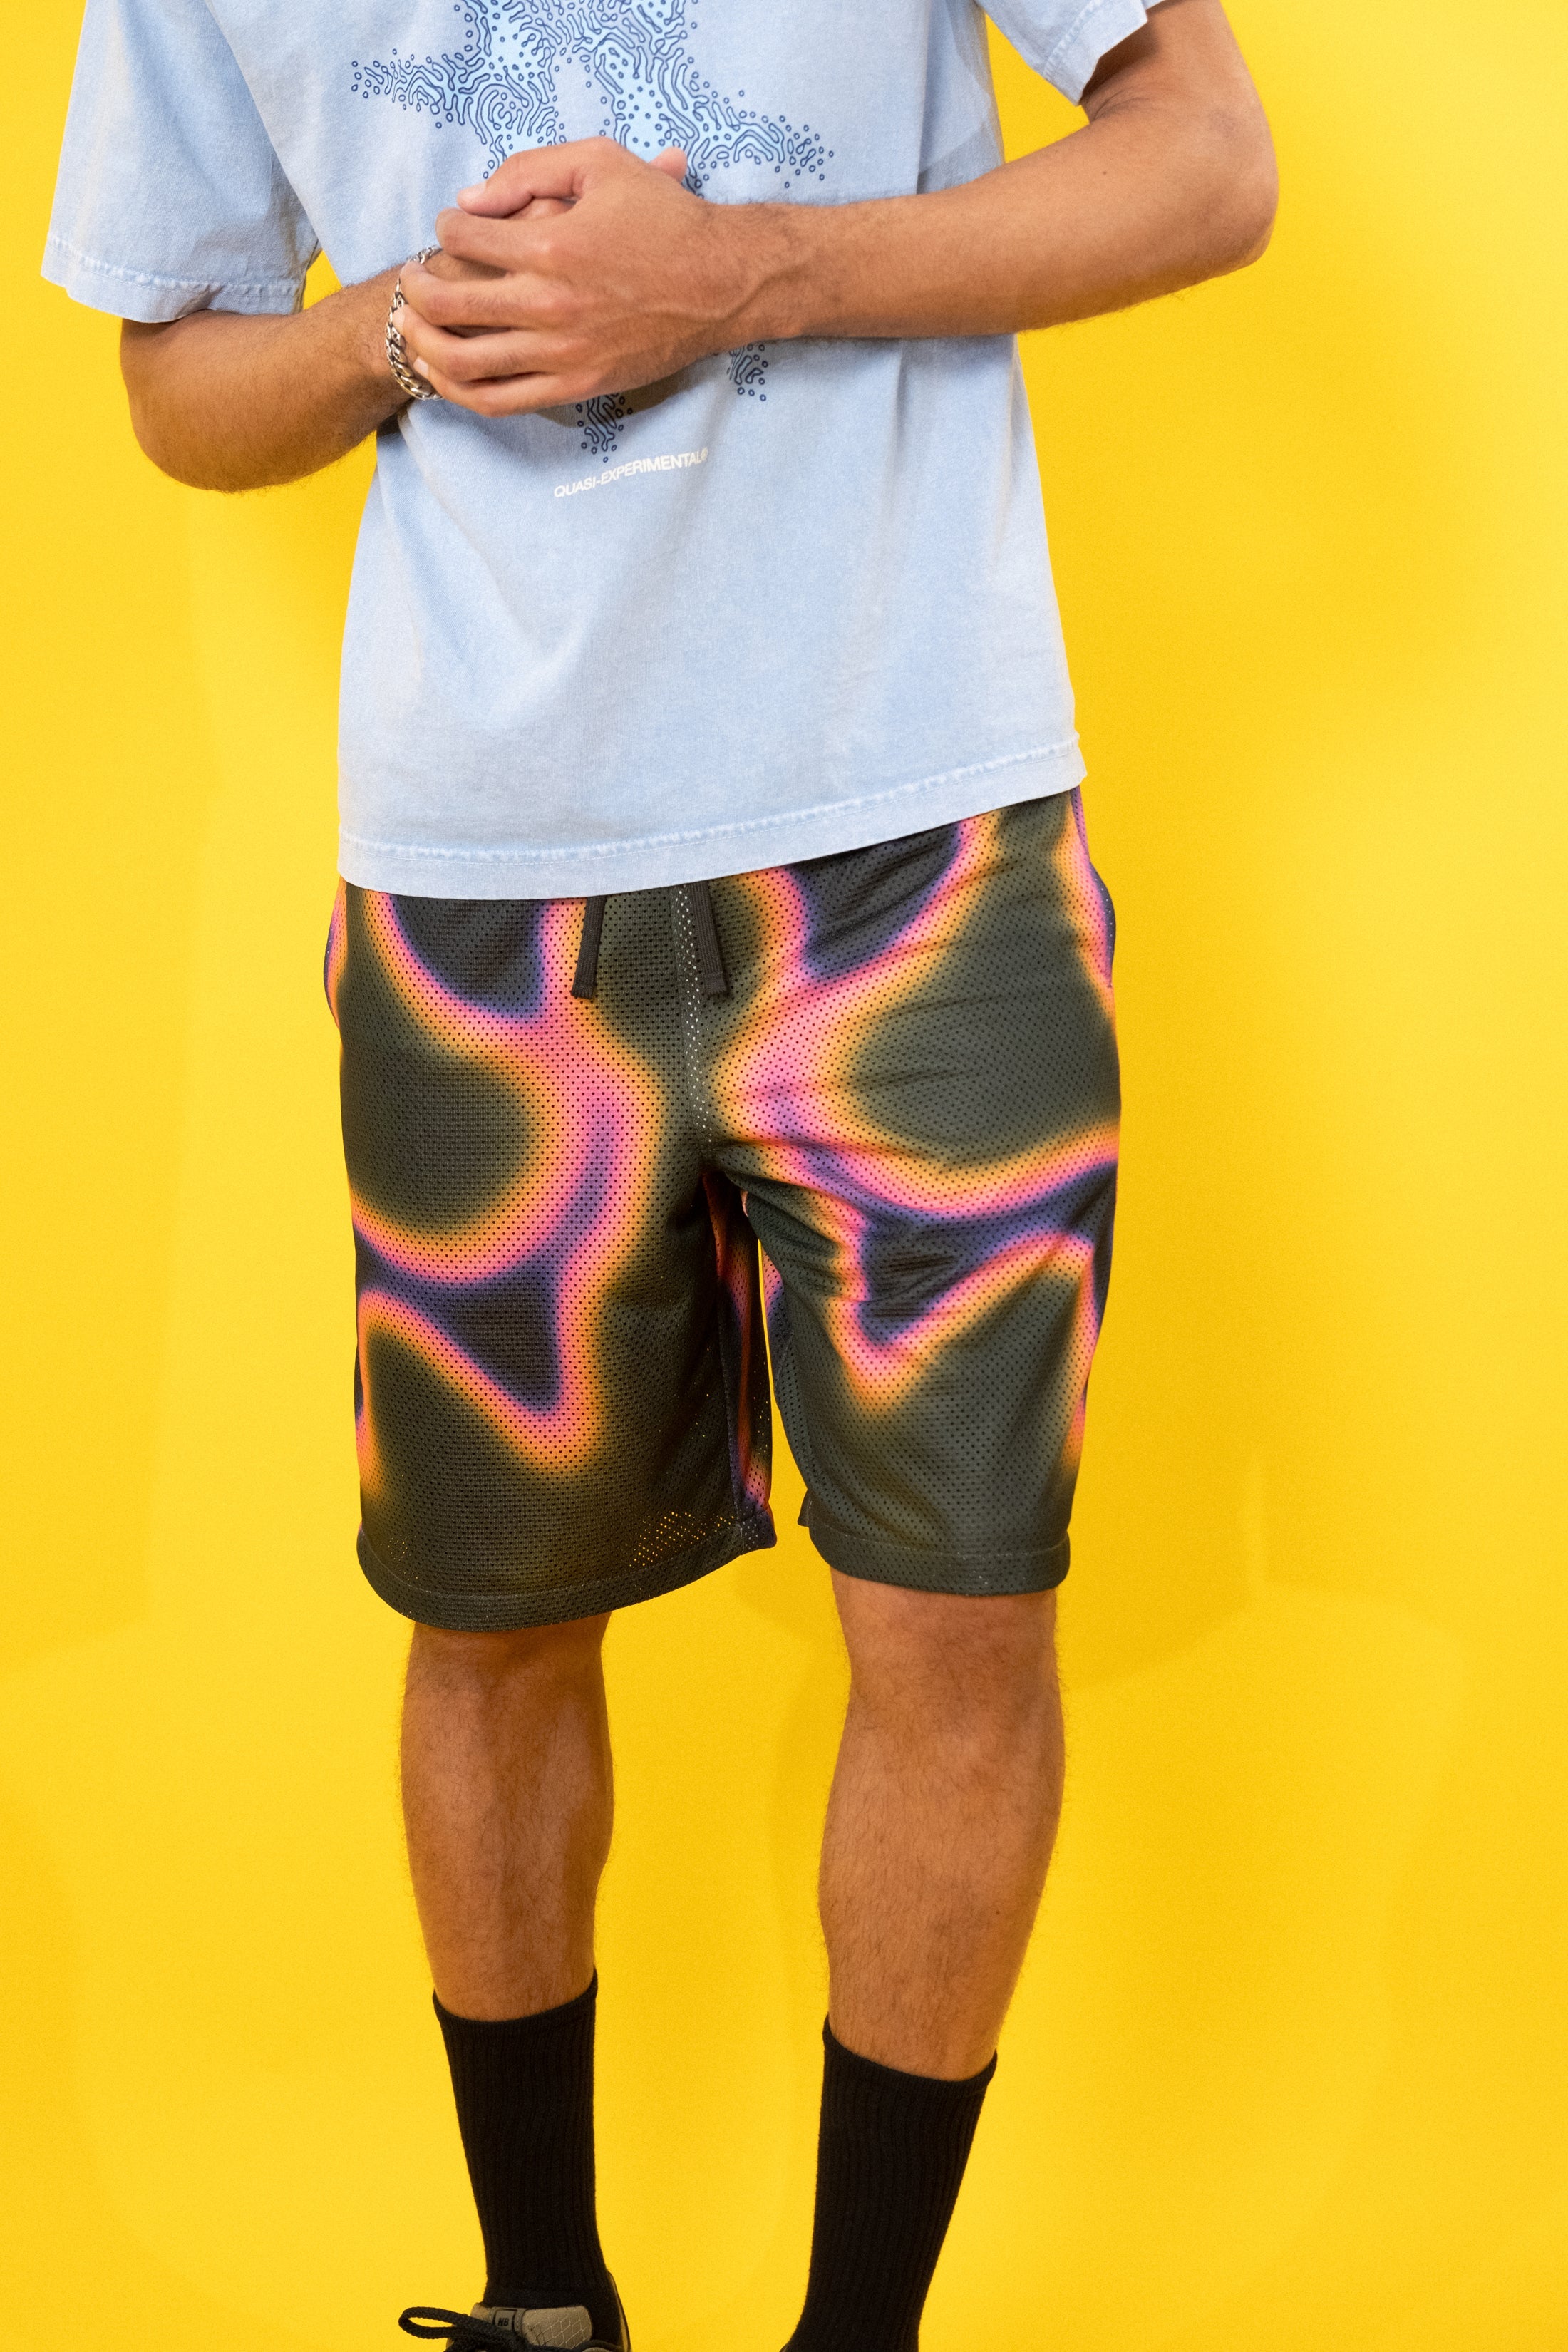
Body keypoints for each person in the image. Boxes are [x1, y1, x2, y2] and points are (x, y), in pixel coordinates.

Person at [44, 1, 1274, 2343]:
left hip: (923, 832)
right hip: (481, 888)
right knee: (490, 1619)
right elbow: (178, 379)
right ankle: (542, 2303)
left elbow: (1210, 158)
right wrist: (407, 323)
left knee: (961, 1610)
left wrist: (741, 278)